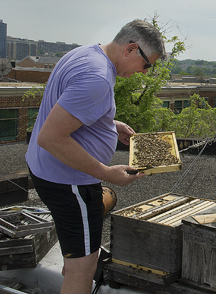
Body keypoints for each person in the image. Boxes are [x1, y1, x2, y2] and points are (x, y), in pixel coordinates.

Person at [26, 19, 166, 294]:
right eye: (147, 64)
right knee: (84, 268)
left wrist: (109, 124)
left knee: (76, 256)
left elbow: (65, 107)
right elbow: (50, 137)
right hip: (70, 184)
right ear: (131, 49)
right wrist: (105, 172)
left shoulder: (86, 54)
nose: (145, 73)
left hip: (48, 172)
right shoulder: (98, 78)